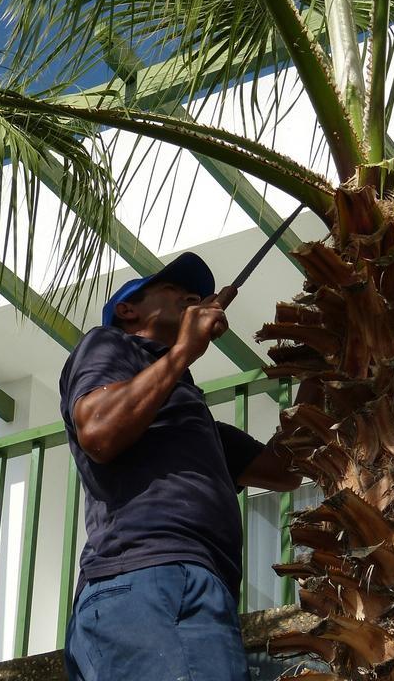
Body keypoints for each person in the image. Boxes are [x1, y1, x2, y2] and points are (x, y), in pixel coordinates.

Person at [59, 251, 303, 681]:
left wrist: (319, 370)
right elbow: (96, 430)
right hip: (148, 579)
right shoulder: (108, 343)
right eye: (173, 289)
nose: (190, 296)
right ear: (127, 309)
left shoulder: (192, 420)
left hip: (185, 588)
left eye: (196, 294)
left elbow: (284, 471)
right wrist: (183, 353)